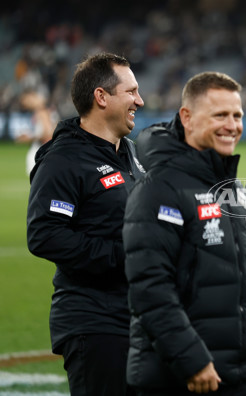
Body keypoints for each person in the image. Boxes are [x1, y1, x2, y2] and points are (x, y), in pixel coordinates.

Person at [123, 71, 246, 395]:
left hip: (236, 371)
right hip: (180, 375)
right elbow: (151, 288)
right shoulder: (158, 189)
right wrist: (192, 360)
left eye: (237, 115)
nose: (233, 125)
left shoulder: (231, 188)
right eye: (220, 115)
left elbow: (241, 266)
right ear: (187, 117)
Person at [26, 52, 145, 395]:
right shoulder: (63, 160)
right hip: (94, 322)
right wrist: (124, 256)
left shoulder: (133, 154)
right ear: (101, 97)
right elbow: (45, 235)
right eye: (131, 91)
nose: (140, 100)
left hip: (140, 316)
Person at [15, 89, 58, 174]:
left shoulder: (41, 111)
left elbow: (48, 133)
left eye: (26, 100)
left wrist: (29, 138)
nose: (26, 104)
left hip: (42, 150)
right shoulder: (48, 109)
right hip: (50, 149)